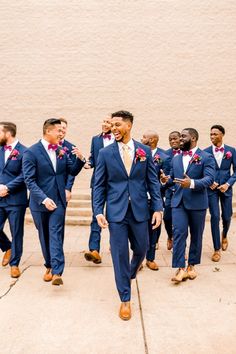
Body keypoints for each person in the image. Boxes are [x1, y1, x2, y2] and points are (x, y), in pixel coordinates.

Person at [93, 110, 163, 320]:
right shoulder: (105, 153)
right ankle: (125, 298)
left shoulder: (144, 151)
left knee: (142, 249)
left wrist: (158, 208)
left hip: (141, 210)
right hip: (116, 212)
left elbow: (152, 181)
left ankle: (129, 274)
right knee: (119, 254)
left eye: (117, 125)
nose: (113, 128)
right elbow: (99, 185)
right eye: (111, 125)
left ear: (129, 126)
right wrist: (98, 211)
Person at [23, 118, 85, 285]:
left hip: (58, 200)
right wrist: (43, 199)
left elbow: (71, 170)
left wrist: (80, 159)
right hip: (39, 202)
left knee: (56, 233)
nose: (61, 133)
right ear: (48, 131)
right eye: (59, 130)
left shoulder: (62, 150)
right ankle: (49, 265)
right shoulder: (31, 152)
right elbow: (29, 180)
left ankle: (57, 272)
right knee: (44, 236)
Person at [161, 128, 215, 283]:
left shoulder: (206, 157)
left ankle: (192, 265)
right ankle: (180, 268)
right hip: (178, 202)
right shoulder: (176, 158)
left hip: (197, 203)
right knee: (178, 234)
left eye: (183, 137)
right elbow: (173, 177)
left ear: (193, 138)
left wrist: (191, 183)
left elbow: (209, 179)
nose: (179, 139)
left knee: (196, 236)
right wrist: (166, 180)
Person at [84, 117, 114, 264]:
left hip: (115, 184)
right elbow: (94, 159)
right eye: (103, 121)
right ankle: (94, 249)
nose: (104, 124)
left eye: (107, 122)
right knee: (96, 214)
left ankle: (115, 245)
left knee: (115, 215)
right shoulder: (95, 139)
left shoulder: (120, 139)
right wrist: (87, 163)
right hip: (98, 182)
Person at [204, 125, 236, 262]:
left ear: (222, 134)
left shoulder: (231, 151)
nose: (212, 137)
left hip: (226, 188)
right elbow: (202, 171)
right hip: (211, 190)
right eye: (210, 134)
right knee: (215, 217)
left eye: (215, 134)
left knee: (227, 216)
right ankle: (216, 249)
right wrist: (209, 182)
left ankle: (224, 234)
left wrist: (228, 184)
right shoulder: (205, 152)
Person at [0, 122, 28, 278]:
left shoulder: (25, 152)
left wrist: (7, 187)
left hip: (16, 200)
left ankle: (15, 264)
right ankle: (7, 247)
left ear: (8, 133)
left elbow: (25, 175)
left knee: (16, 232)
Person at [141, 131, 171, 270]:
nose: (142, 139)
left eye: (144, 137)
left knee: (154, 230)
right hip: (139, 197)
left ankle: (150, 258)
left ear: (152, 140)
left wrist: (159, 186)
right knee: (139, 229)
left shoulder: (164, 157)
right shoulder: (138, 153)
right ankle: (138, 259)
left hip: (156, 198)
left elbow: (166, 180)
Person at [164, 131, 181, 250]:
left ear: (181, 139)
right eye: (170, 139)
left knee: (180, 222)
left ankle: (180, 246)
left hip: (182, 191)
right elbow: (163, 173)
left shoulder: (186, 153)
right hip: (169, 191)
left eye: (175, 139)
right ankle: (170, 236)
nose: (173, 141)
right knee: (167, 218)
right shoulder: (165, 155)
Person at [58, 117, 77, 203]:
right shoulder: (46, 145)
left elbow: (72, 172)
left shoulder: (71, 147)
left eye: (64, 128)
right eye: (59, 127)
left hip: (63, 186)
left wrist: (68, 188)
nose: (62, 129)